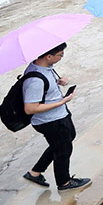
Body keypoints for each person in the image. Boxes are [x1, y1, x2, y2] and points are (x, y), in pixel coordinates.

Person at [21, 43, 90, 191]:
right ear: (49, 56)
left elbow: (46, 90)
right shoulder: (34, 80)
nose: (62, 57)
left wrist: (58, 82)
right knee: (63, 149)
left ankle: (35, 172)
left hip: (59, 115)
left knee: (64, 141)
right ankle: (64, 182)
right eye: (60, 54)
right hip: (50, 121)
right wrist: (62, 101)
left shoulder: (45, 67)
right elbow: (30, 108)